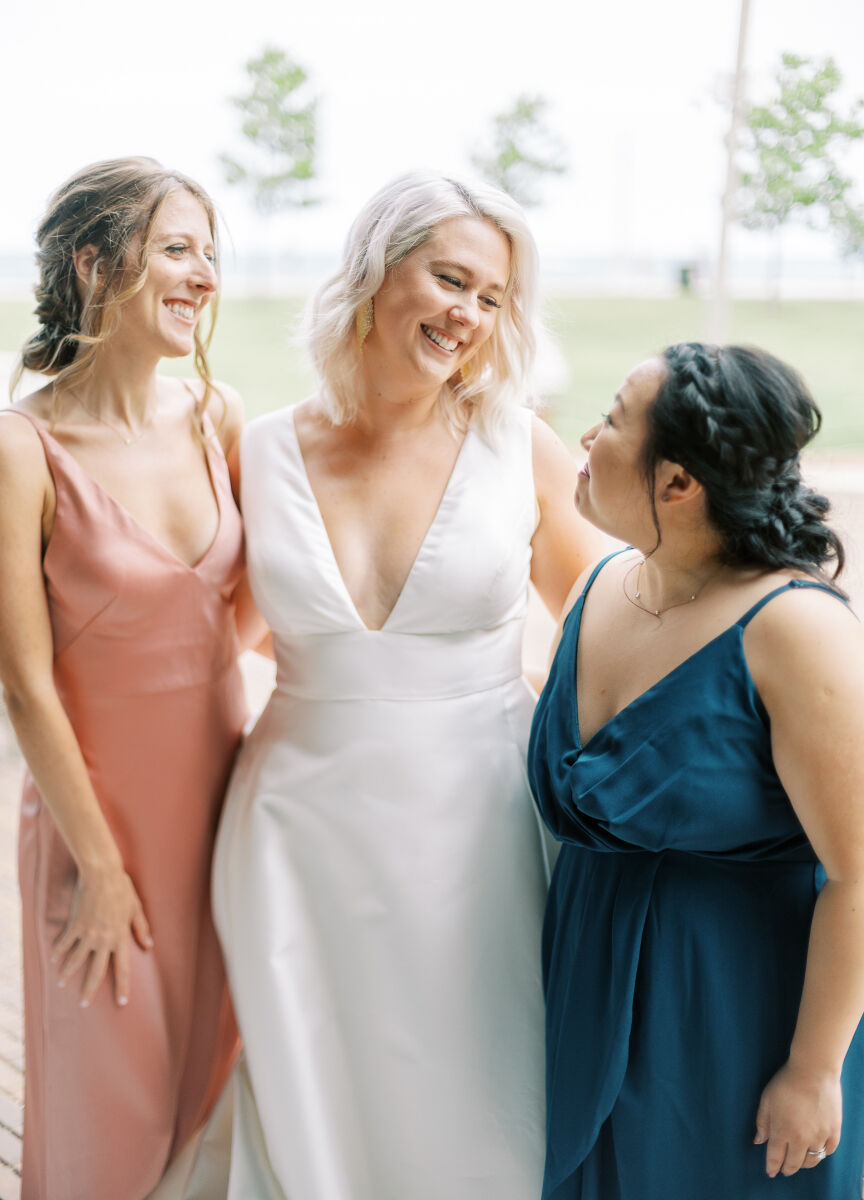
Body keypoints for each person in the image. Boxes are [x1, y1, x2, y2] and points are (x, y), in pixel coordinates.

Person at [211, 170, 601, 1200]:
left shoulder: (521, 446)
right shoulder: (261, 449)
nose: (470, 314)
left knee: (486, 1100)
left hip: (479, 825)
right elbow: (230, 630)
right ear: (376, 269)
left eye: (493, 298)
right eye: (451, 279)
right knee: (314, 1104)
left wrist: (484, 685)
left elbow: (610, 617)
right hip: (297, 830)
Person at [528, 342, 864, 1199]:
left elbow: (860, 874)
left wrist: (812, 1070)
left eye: (610, 418)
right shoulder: (599, 585)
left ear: (677, 483)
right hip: (586, 985)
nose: (587, 435)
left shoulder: (794, 630)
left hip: (735, 1008)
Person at [0, 157, 253, 1200]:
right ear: (96, 265)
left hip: (230, 822)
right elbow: (20, 678)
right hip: (98, 835)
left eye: (210, 252)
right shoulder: (23, 446)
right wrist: (98, 867)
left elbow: (240, 616)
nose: (201, 276)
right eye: (176, 248)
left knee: (220, 1099)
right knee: (111, 1119)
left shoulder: (217, 416)